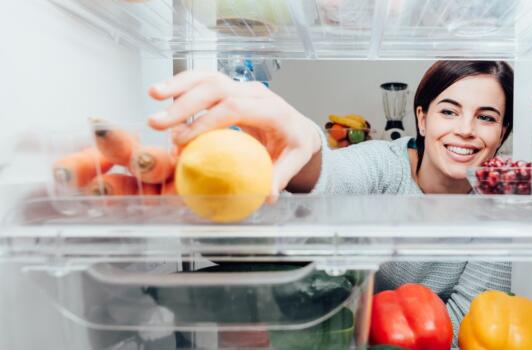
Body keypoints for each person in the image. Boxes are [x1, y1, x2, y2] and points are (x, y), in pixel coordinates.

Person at [147, 60, 513, 341]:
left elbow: (470, 321)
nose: (465, 129)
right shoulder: (385, 163)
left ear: (502, 133)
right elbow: (334, 176)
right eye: (449, 111)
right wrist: (304, 141)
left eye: (486, 117)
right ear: (422, 118)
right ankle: (151, 301)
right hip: (336, 327)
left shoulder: (498, 208)